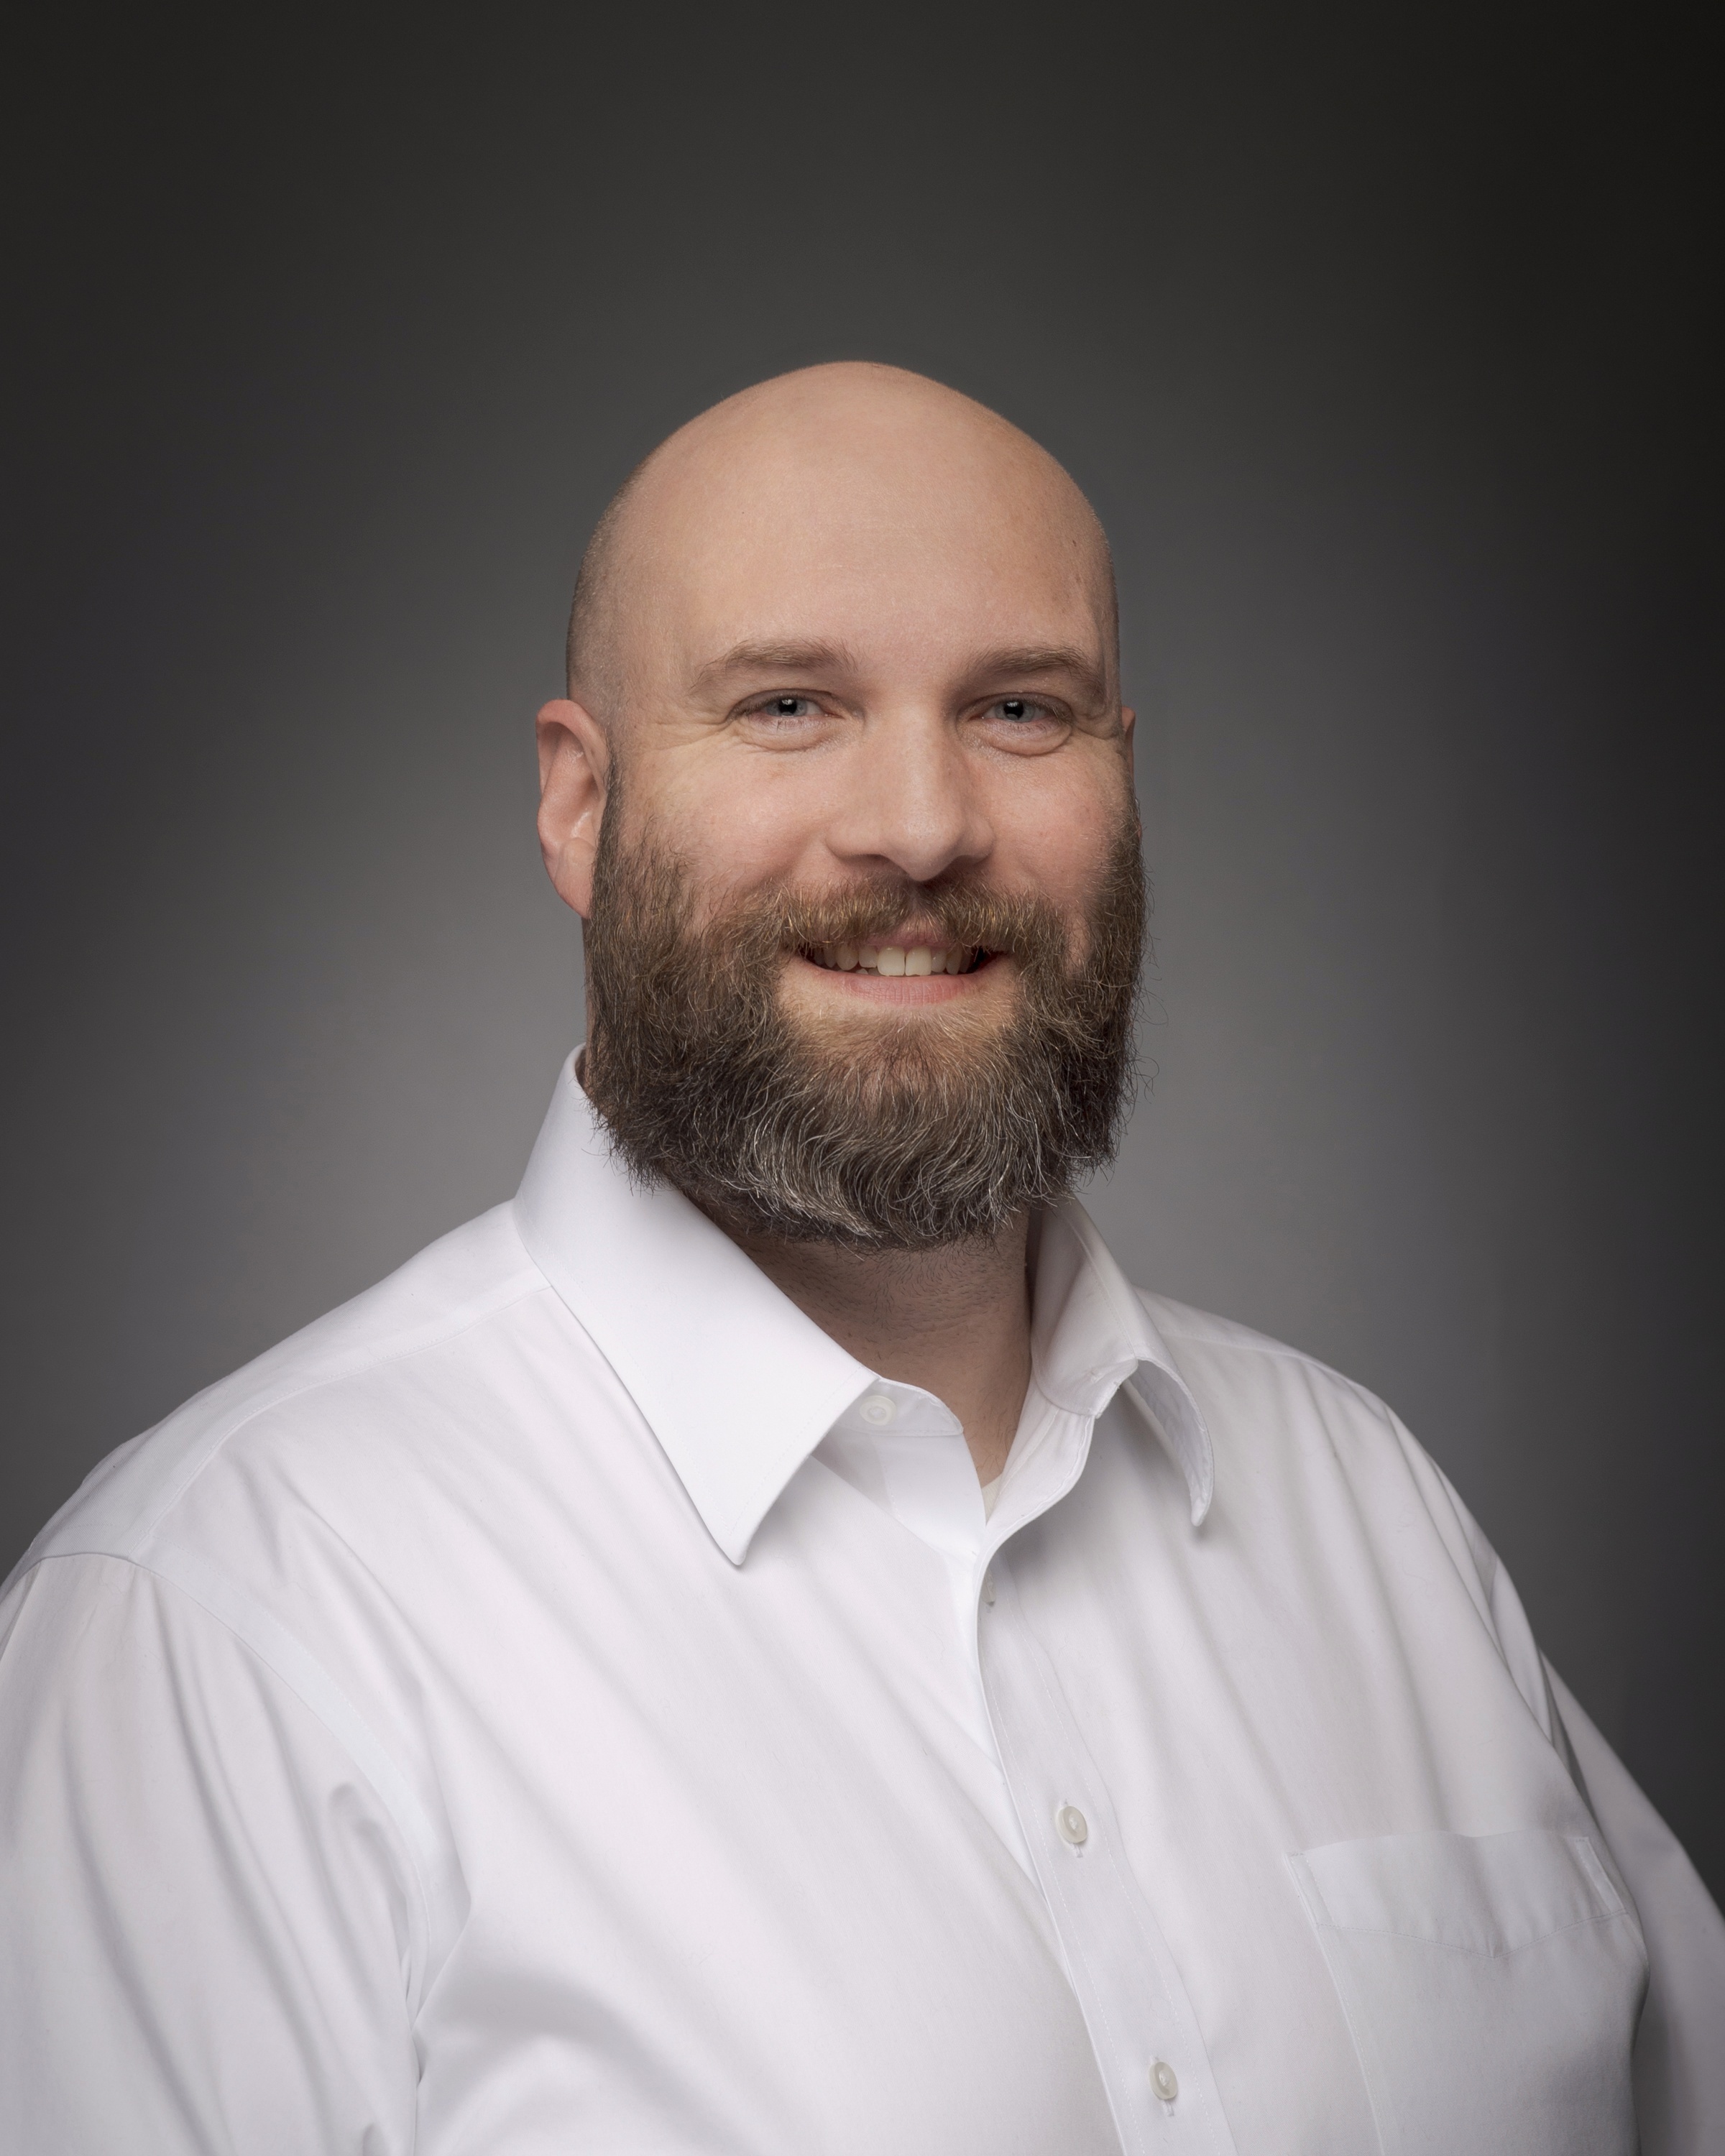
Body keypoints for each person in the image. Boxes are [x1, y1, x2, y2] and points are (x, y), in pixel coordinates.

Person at [1, 362, 1719, 2155]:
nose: (920, 821)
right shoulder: (217, 1627)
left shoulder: (1375, 1517)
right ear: (580, 805)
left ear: (1124, 780)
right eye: (791, 703)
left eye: (1021, 710)